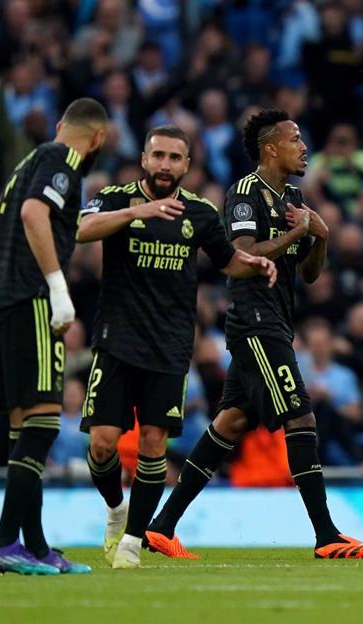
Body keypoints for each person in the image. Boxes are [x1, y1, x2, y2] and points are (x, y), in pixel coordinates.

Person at [145, 109, 363, 559]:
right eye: (295, 139)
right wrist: (296, 234)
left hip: (274, 322)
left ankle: (162, 525)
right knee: (301, 418)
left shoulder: (291, 195)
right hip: (255, 323)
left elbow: (309, 276)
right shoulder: (245, 194)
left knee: (229, 423)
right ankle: (327, 535)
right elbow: (242, 254)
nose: (303, 146)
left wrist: (321, 239)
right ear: (271, 148)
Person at [76, 125, 276, 569]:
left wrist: (258, 262)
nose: (165, 165)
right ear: (144, 159)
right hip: (117, 339)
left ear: (187, 165)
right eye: (158, 156)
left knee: (152, 443)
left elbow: (228, 260)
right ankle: (115, 509)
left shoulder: (201, 213)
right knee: (104, 445)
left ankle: (131, 542)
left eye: (174, 158)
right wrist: (138, 212)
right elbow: (82, 230)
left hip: (169, 346)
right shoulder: (115, 196)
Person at [0, 98, 108, 575]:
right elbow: (35, 215)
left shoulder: (26, 163)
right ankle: (4, 542)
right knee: (44, 421)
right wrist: (56, 288)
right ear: (97, 139)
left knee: (24, 424)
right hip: (29, 299)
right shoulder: (62, 161)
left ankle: (34, 547)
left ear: (60, 125)